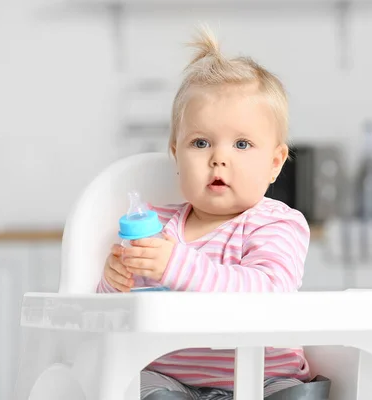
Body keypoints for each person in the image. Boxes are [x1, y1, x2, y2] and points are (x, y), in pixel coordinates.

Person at [97, 25, 329, 400]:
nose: (219, 157)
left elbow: (269, 292)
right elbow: (117, 321)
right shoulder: (155, 229)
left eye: (242, 143)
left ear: (275, 162)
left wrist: (176, 266)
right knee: (127, 387)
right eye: (200, 142)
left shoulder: (276, 223)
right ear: (176, 154)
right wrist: (114, 281)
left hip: (266, 380)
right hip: (171, 382)